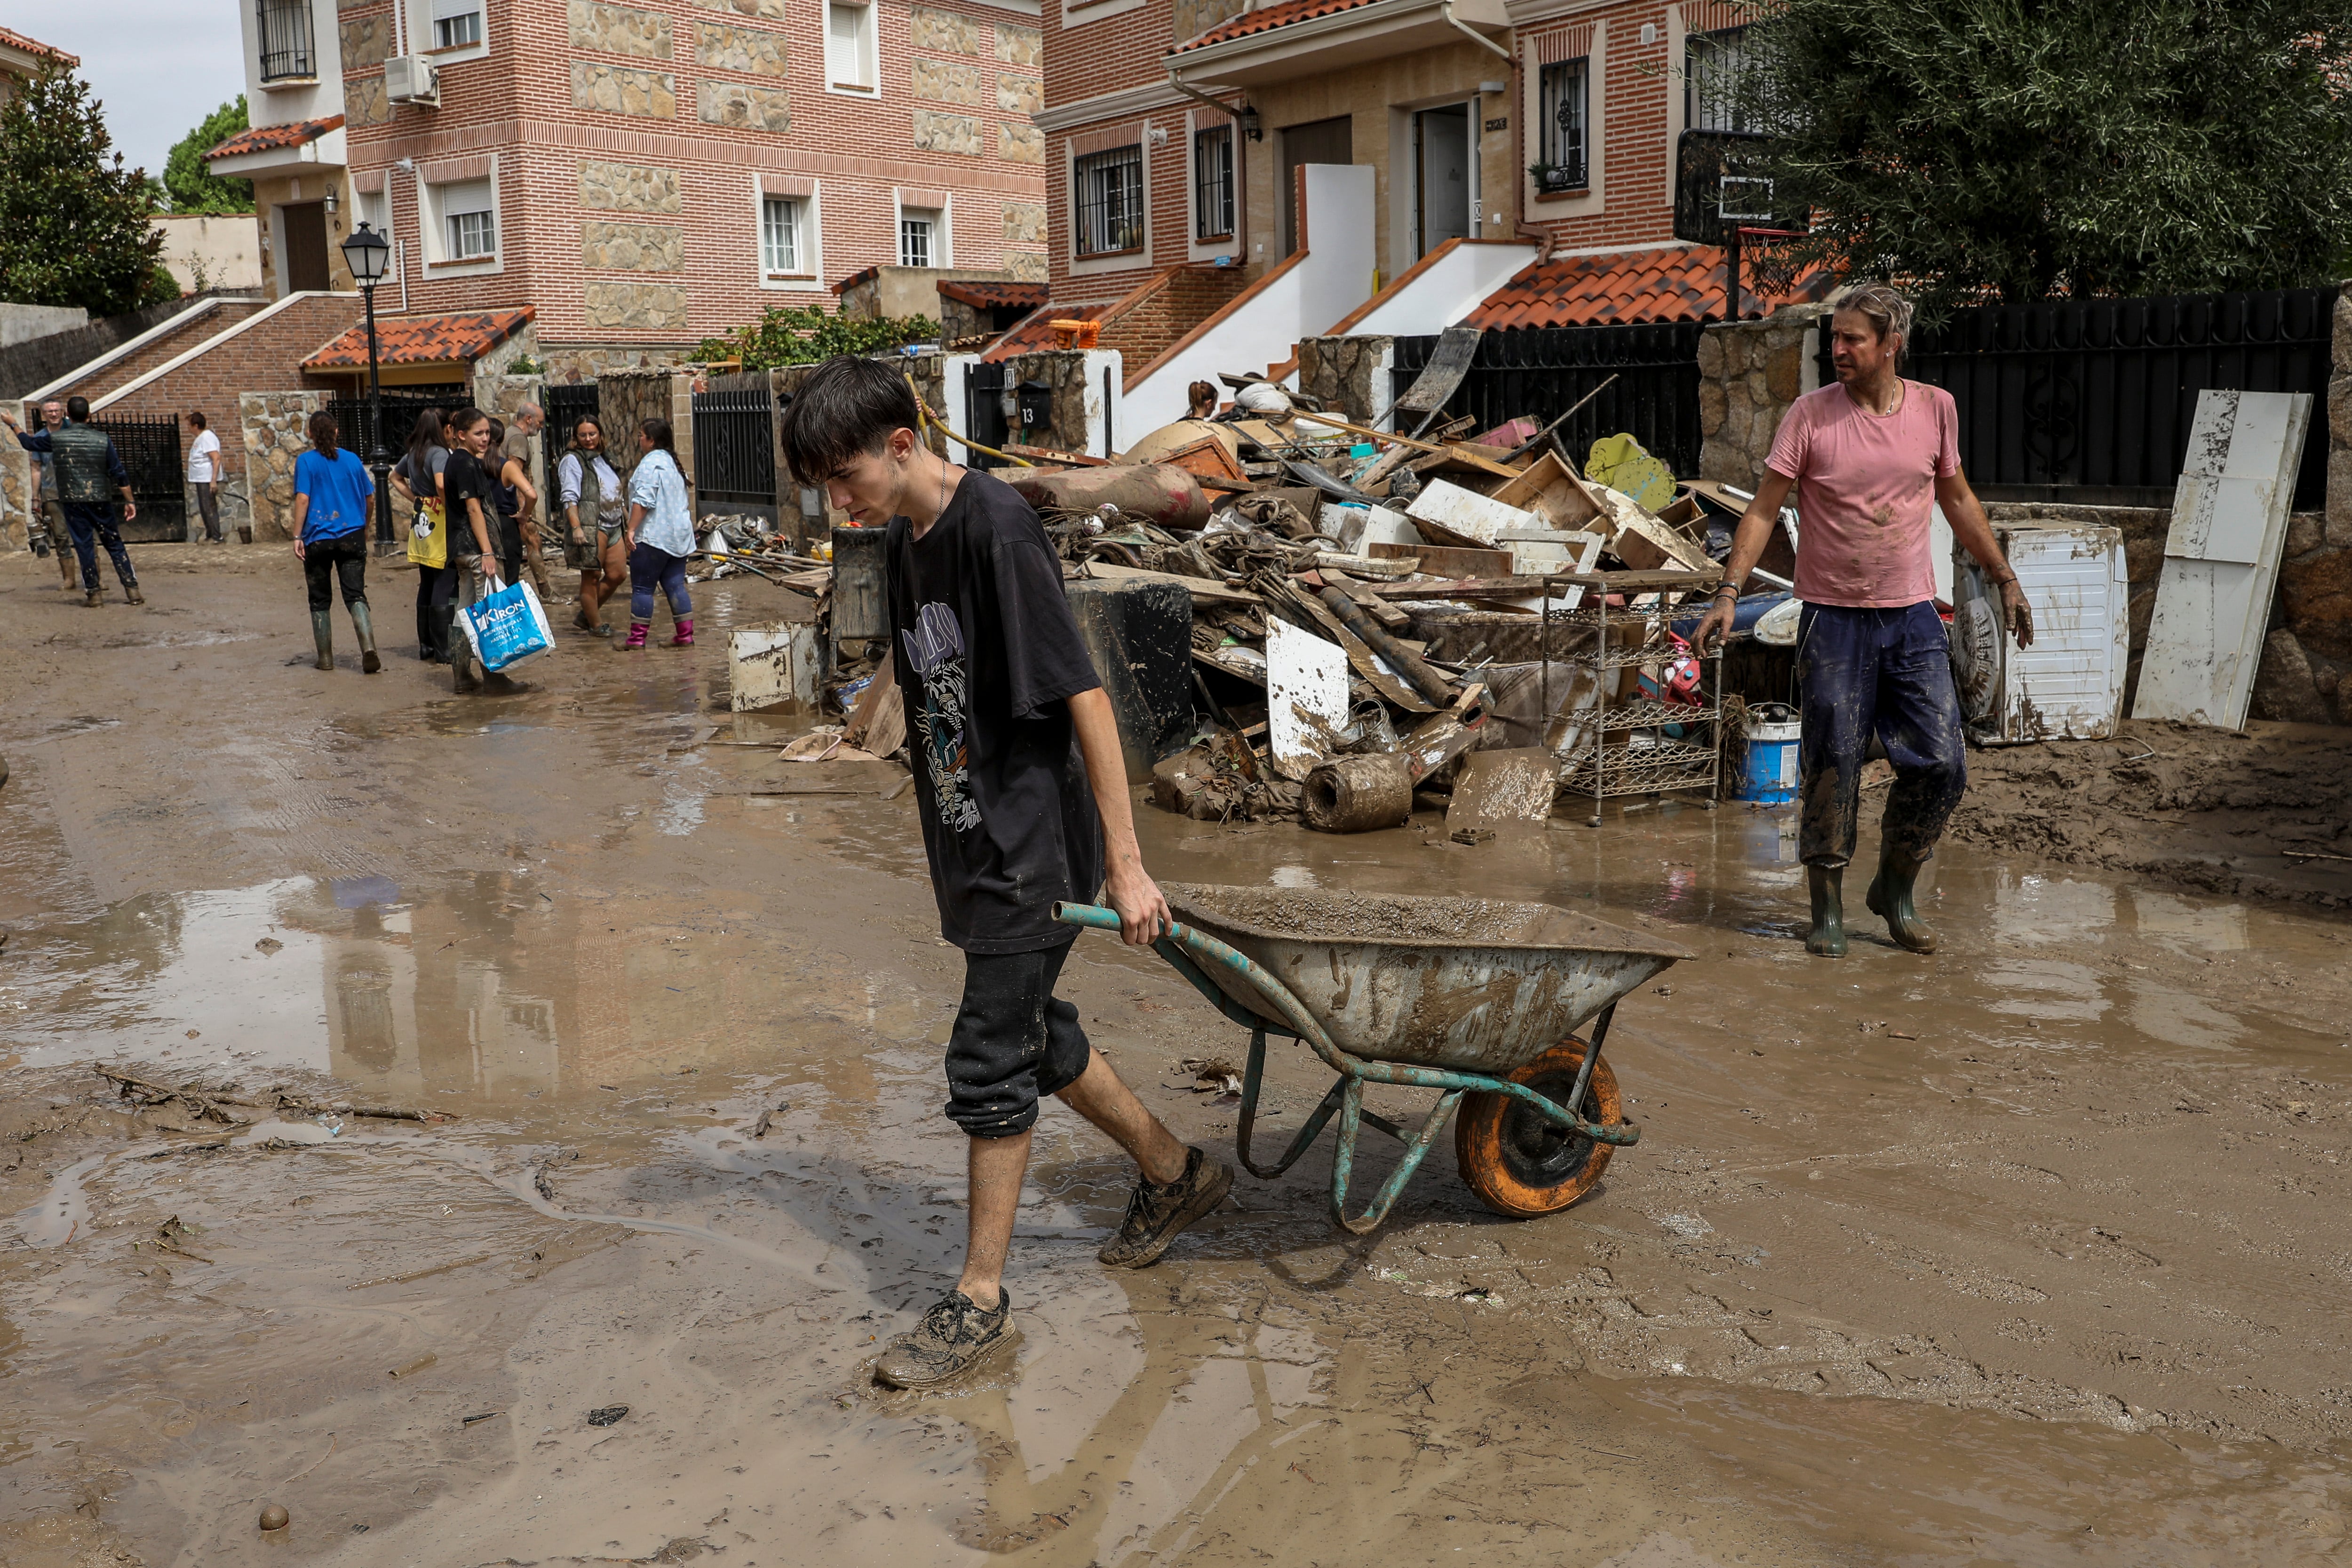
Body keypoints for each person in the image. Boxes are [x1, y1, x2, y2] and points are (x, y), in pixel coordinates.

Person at [779, 356, 1230, 1392]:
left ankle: (978, 1297)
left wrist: (1127, 865)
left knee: (987, 1057)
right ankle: (1175, 1171)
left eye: (842, 476)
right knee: (1038, 1037)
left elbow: (1088, 698)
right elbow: (914, 649)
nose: (834, 500)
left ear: (901, 444)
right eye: (822, 484)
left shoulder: (996, 530)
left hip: (1033, 844)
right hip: (970, 838)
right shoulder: (904, 533)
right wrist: (867, 712)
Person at [1695, 283, 2034, 959]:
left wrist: (2005, 577)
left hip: (1911, 617)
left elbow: (1957, 496)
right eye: (1835, 337)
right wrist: (1729, 592)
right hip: (1833, 620)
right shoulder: (1810, 416)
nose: (1838, 350)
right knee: (1833, 762)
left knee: (1942, 763)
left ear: (1891, 343)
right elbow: (1763, 511)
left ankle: (1894, 890)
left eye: (1853, 339)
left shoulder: (1936, 409)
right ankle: (1826, 910)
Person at [3, 395, 142, 607]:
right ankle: (133, 591)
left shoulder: (57, 439)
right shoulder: (103, 440)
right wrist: (130, 501)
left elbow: (29, 443)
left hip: (73, 501)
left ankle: (94, 595)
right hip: (100, 499)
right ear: (89, 415)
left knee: (84, 546)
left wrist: (13, 424)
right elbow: (119, 472)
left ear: (67, 414)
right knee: (114, 544)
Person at [436, 406, 521, 694]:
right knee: (489, 612)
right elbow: (474, 508)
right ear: (462, 435)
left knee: (465, 610)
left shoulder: (457, 461)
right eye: (479, 434)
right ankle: (495, 678)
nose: (485, 439)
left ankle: (462, 677)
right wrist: (487, 552)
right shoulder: (467, 464)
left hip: (461, 548)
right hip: (474, 548)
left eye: (487, 433)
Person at [290, 410, 380, 674]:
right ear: (337, 432)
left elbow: (303, 499)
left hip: (317, 539)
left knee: (319, 600)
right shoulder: (352, 460)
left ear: (310, 434)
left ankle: (326, 660)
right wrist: (365, 526)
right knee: (355, 595)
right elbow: (370, 498)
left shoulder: (305, 462)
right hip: (352, 535)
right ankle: (368, 649)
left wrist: (297, 536)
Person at [618, 417, 695, 651]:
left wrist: (631, 529)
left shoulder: (650, 465)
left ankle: (637, 640)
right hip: (679, 537)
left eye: (641, 435)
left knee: (643, 588)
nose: (639, 439)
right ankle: (685, 636)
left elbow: (643, 501)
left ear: (651, 441)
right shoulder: (673, 464)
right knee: (675, 586)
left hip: (654, 537)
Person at [557, 414, 627, 635]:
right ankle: (596, 625)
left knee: (618, 575)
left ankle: (587, 614)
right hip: (591, 524)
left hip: (614, 523)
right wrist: (576, 527)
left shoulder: (604, 457)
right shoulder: (572, 460)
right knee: (592, 576)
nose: (588, 439)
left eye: (592, 434)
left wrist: (628, 520)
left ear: (600, 434)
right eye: (583, 435)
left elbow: (616, 491)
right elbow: (570, 496)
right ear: (576, 437)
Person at [388, 409, 450, 662]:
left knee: (426, 580)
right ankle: (443, 649)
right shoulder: (439, 453)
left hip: (421, 519)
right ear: (444, 428)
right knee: (443, 579)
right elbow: (442, 484)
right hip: (439, 519)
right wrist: (449, 506)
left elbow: (394, 477)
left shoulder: (414, 453)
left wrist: (416, 499)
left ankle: (426, 646)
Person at [29, 400, 78, 589]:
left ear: (63, 412)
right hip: (52, 493)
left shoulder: (73, 431)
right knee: (60, 536)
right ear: (44, 416)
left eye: (57, 411)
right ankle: (69, 579)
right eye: (49, 412)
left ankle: (94, 576)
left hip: (77, 491)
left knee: (86, 534)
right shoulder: (40, 438)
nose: (54, 414)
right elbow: (36, 469)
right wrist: (36, 497)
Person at [501, 401, 548, 593]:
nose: (541, 427)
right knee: (533, 542)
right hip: (515, 505)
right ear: (529, 419)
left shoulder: (509, 434)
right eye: (540, 422)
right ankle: (545, 592)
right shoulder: (518, 438)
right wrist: (524, 512)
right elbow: (516, 477)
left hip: (510, 503)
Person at [186, 411, 224, 543]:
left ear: (196, 425)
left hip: (206, 478)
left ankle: (216, 535)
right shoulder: (201, 438)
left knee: (209, 507)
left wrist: (213, 480)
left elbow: (216, 458)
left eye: (189, 425)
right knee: (204, 506)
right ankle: (210, 533)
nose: (188, 428)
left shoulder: (207, 437)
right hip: (200, 478)